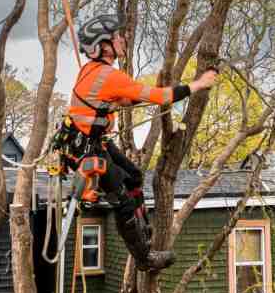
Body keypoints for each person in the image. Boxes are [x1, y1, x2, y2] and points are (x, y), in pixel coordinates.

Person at [57, 14, 218, 271]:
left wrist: (138, 96)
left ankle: (143, 228)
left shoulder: (91, 71)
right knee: (123, 201)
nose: (122, 40)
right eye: (117, 36)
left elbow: (115, 100)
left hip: (88, 141)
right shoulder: (110, 75)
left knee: (133, 175)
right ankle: (145, 259)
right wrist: (199, 84)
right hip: (87, 148)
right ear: (103, 45)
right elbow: (162, 97)